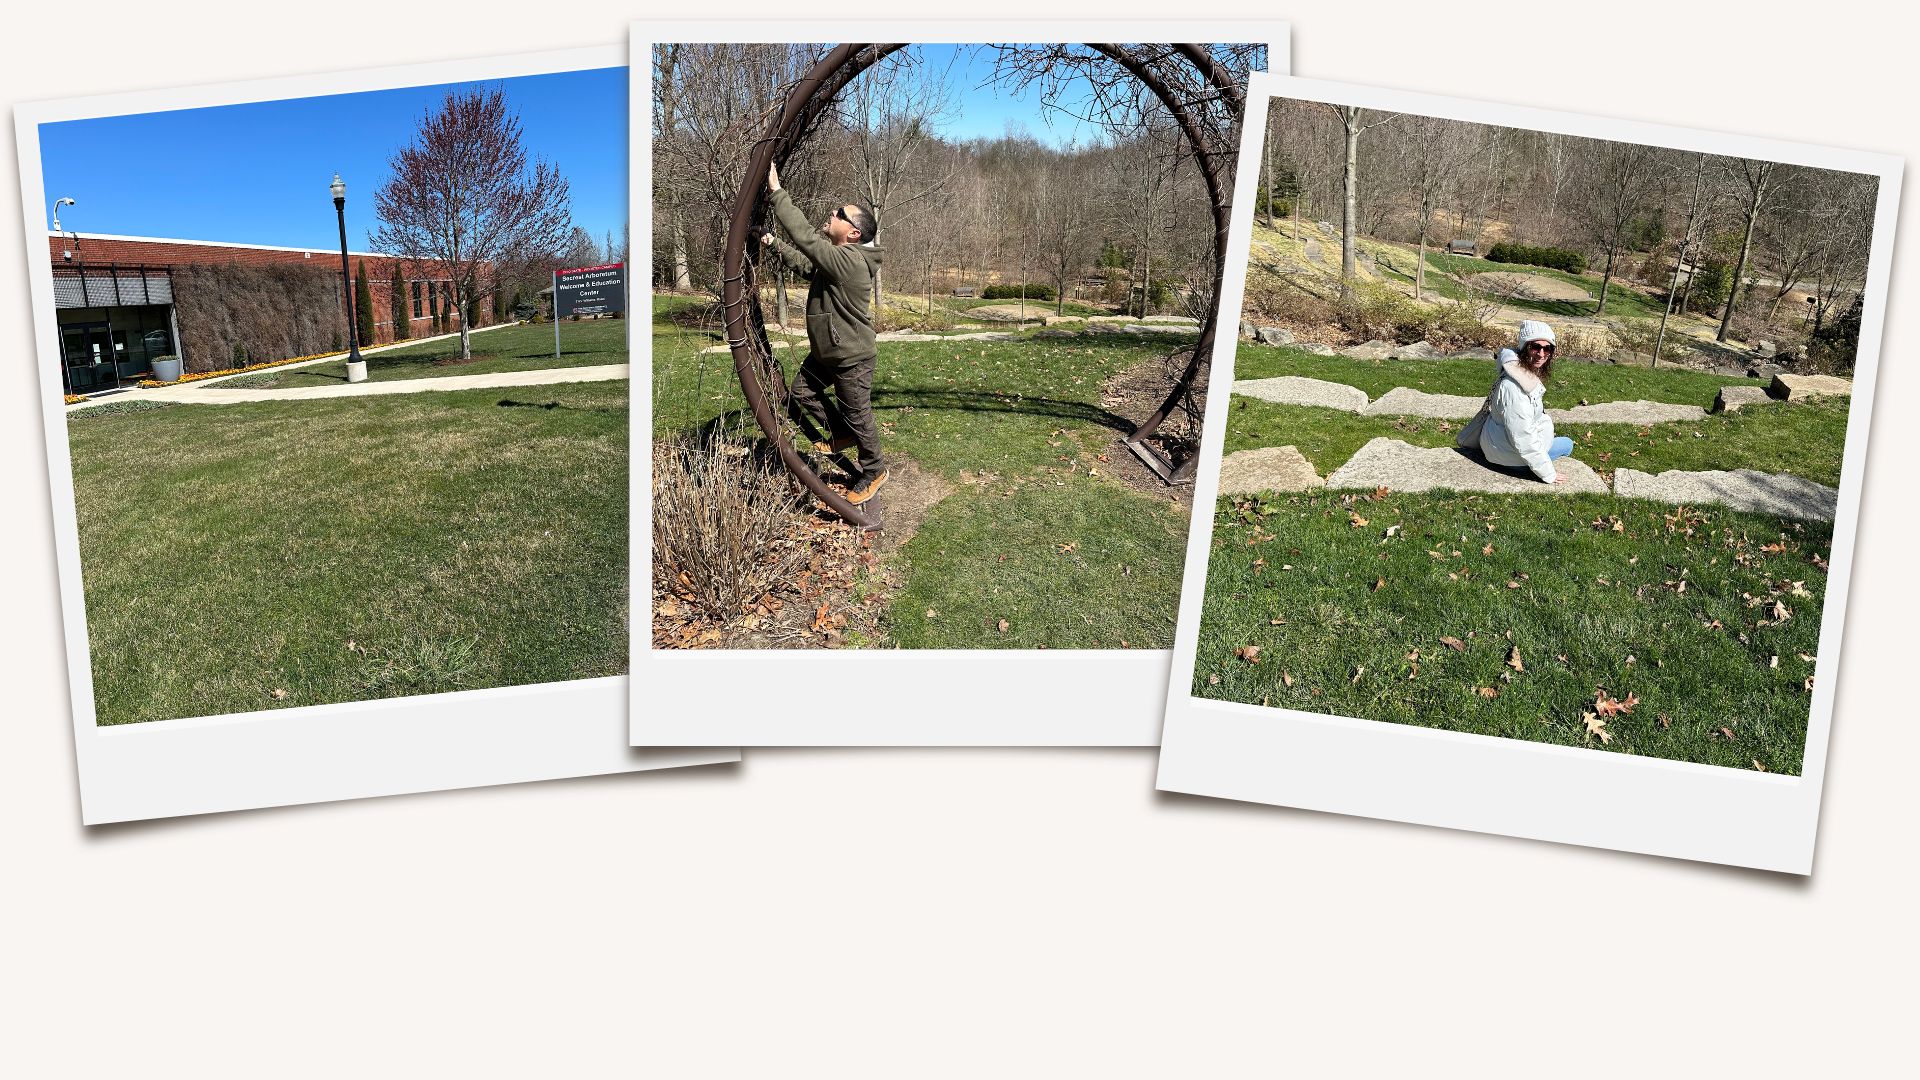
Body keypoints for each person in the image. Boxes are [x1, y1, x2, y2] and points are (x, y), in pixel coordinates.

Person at [758, 161, 888, 504]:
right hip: (828, 352)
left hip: (851, 356)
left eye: (840, 213)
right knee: (802, 392)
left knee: (858, 413)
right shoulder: (836, 261)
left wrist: (777, 192)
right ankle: (841, 432)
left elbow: (807, 241)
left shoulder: (851, 261)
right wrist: (774, 244)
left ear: (854, 233)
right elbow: (806, 264)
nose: (833, 212)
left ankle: (874, 469)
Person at [1459, 319, 1575, 483]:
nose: (1541, 354)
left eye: (1547, 348)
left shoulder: (1521, 373)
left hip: (1503, 447)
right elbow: (1522, 435)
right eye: (1535, 347)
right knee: (1567, 444)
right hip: (1509, 457)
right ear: (1524, 347)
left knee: (1559, 442)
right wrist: (1549, 474)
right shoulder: (1514, 387)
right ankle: (1528, 468)